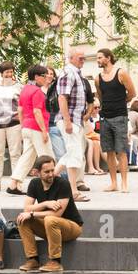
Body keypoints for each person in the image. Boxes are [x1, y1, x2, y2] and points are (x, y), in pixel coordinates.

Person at [17, 154, 83, 273]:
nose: (51, 174)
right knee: (22, 218)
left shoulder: (63, 184)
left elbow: (56, 215)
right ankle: (32, 259)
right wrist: (45, 204)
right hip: (50, 228)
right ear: (37, 172)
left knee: (50, 219)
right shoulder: (34, 184)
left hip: (72, 227)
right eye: (47, 171)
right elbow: (26, 208)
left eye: (53, 170)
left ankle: (55, 261)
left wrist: (32, 214)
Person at [95, 48, 137, 193]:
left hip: (120, 116)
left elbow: (132, 93)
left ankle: (124, 183)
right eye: (97, 58)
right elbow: (100, 97)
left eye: (100, 57)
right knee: (109, 151)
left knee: (122, 151)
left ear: (108, 58)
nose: (98, 60)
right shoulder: (97, 78)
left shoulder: (121, 73)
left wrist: (121, 102)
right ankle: (113, 183)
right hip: (105, 117)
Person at [7, 65, 52, 195]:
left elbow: (20, 110)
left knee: (27, 157)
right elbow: (37, 111)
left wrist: (23, 126)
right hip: (37, 127)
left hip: (27, 127)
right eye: (44, 75)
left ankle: (13, 184)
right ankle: (51, 184)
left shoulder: (25, 89)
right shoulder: (37, 91)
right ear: (37, 77)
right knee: (47, 156)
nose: (47, 78)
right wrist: (44, 130)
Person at [54, 49, 89, 202]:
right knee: (75, 154)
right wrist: (67, 121)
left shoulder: (76, 74)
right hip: (69, 120)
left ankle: (49, 180)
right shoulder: (68, 73)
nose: (83, 59)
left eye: (84, 58)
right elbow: (62, 98)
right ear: (71, 58)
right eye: (80, 57)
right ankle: (73, 191)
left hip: (75, 119)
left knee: (71, 153)